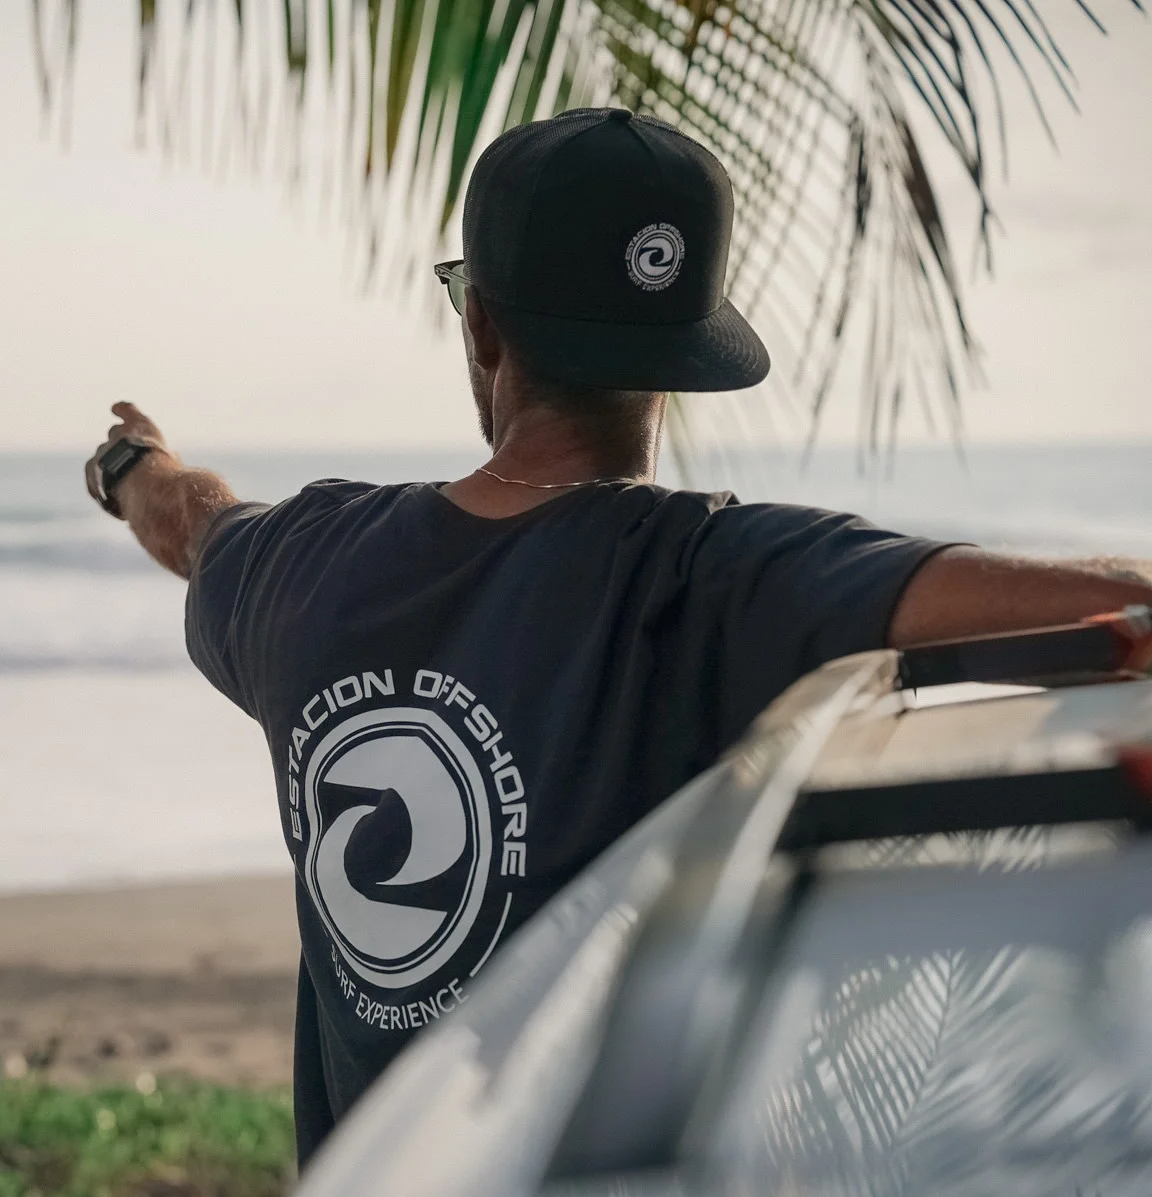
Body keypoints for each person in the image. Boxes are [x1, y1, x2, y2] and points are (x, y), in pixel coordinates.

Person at [82, 107, 1152, 1164]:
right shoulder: (729, 576)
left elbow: (192, 520)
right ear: (686, 351)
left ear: (485, 326)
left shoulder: (300, 560)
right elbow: (1052, 599)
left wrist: (134, 468)